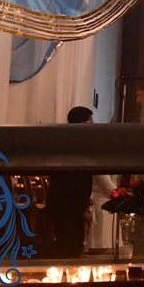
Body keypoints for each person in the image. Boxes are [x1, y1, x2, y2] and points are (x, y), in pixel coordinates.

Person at [46, 106, 94, 258]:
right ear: (81, 123)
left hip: (68, 204)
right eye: (90, 122)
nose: (93, 126)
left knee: (70, 246)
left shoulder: (68, 141)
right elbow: (74, 181)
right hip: (68, 206)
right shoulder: (73, 145)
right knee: (69, 248)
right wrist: (83, 208)